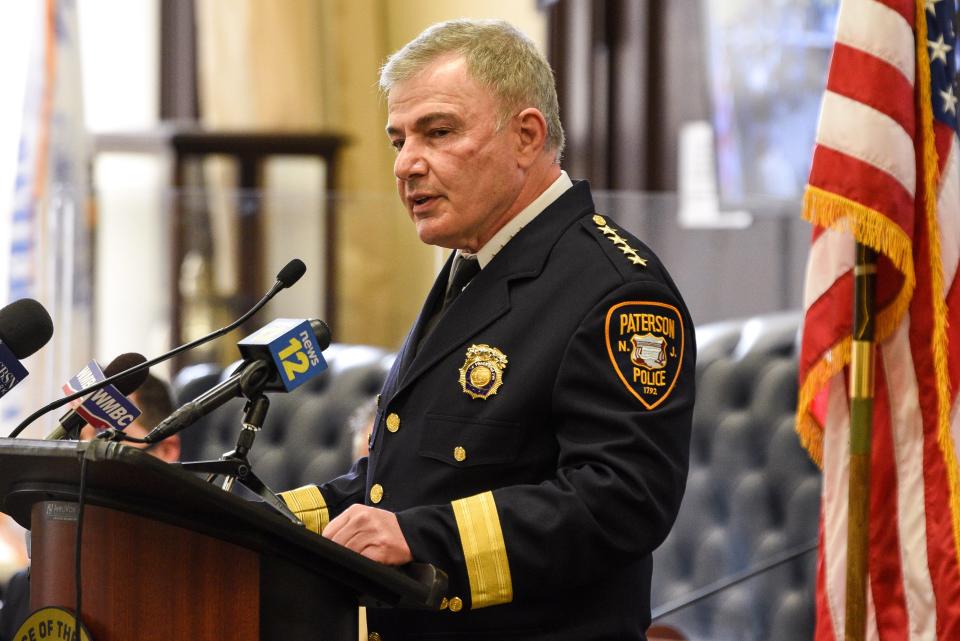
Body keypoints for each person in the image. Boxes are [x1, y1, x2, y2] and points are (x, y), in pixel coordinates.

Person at [278, 19, 696, 640]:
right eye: (398, 141)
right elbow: (416, 478)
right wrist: (263, 515)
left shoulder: (615, 288)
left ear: (526, 136)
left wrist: (421, 537)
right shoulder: (475, 265)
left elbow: (623, 500)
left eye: (438, 132)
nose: (407, 165)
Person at [0, 374, 180, 641]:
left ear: (166, 451)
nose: (83, 458)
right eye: (77, 438)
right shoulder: (27, 589)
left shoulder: (194, 588)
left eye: (104, 438)